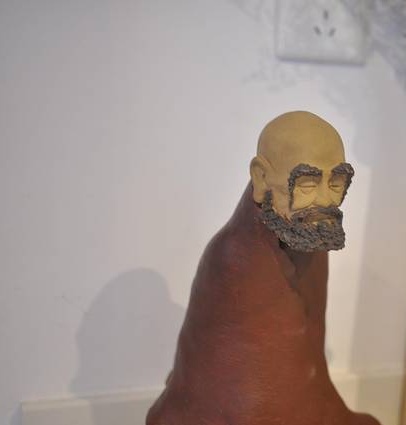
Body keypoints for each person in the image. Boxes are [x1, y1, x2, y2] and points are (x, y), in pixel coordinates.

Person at [146, 111, 380, 425]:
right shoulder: (233, 259)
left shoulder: (307, 235)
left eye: (337, 181)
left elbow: (306, 351)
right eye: (307, 183)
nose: (326, 200)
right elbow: (244, 393)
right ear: (260, 178)